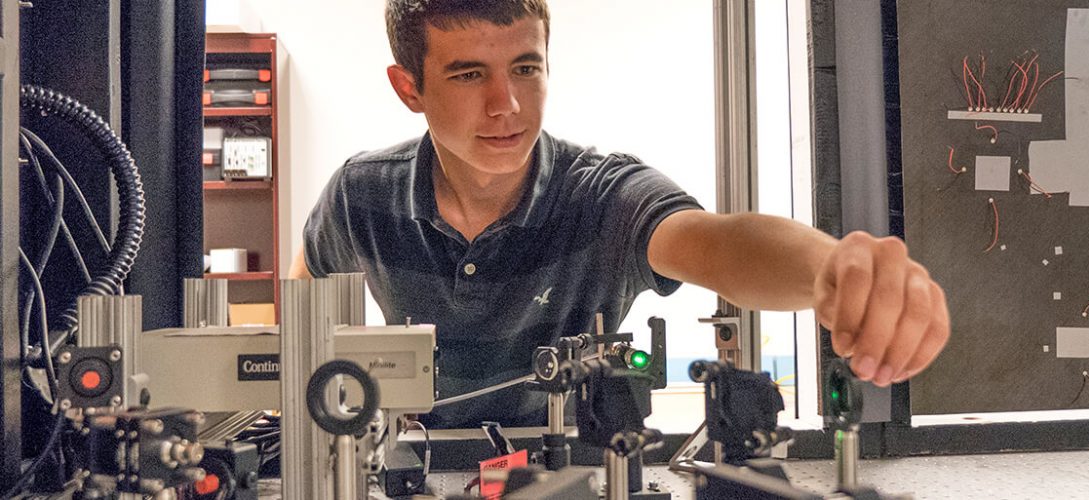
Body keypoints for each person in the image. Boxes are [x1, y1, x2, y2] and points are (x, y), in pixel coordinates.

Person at [290, 0, 949, 428]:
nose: (508, 105)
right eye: (469, 76)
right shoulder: (361, 195)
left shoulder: (603, 195)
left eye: (525, 68)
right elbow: (303, 310)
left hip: (571, 474)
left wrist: (829, 270)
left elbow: (715, 243)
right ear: (410, 88)